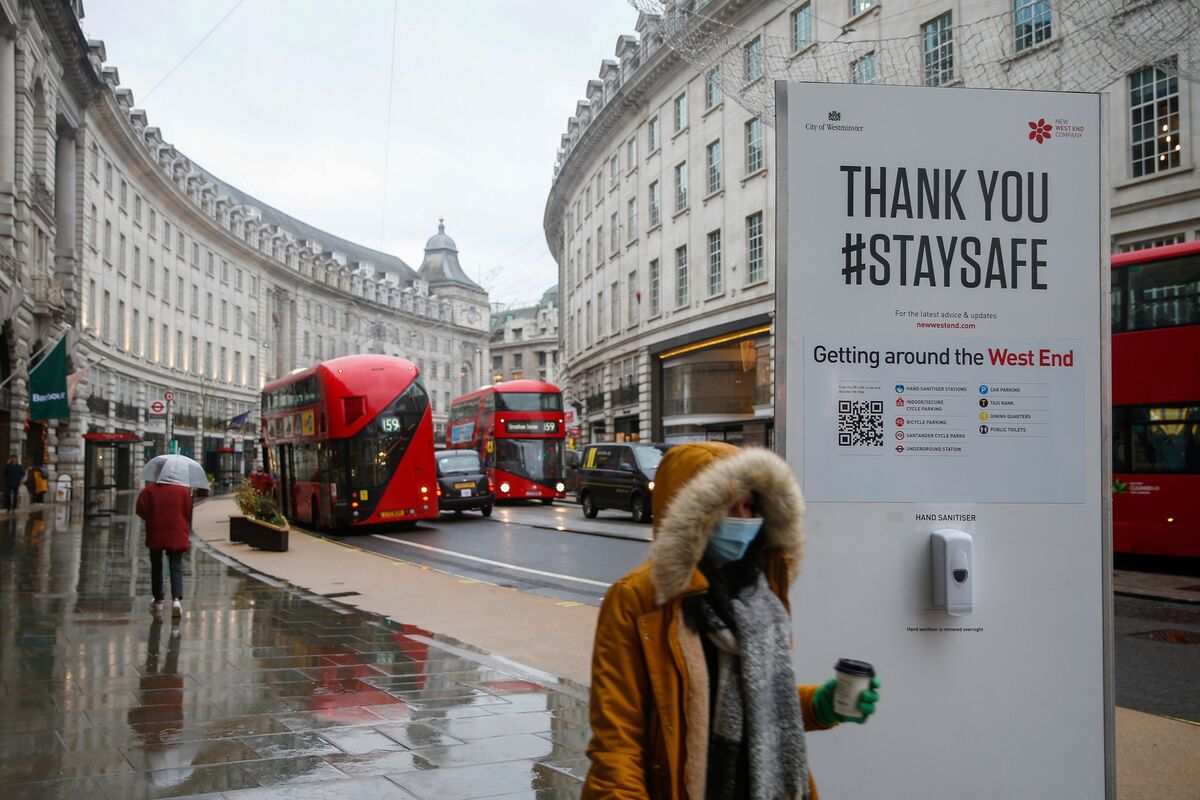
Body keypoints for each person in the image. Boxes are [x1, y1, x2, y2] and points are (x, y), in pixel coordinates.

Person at [583, 442, 881, 800]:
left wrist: (820, 705)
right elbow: (617, 746)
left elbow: (764, 705)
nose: (745, 518)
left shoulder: (759, 596)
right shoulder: (636, 600)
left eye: (751, 505)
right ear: (693, 513)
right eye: (730, 505)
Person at [136, 458, 193, 617]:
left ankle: (159, 600)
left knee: (156, 566)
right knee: (175, 565)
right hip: (177, 533)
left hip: (156, 532)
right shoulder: (183, 491)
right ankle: (176, 600)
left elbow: (141, 510)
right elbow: (187, 512)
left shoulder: (149, 491)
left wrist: (153, 517)